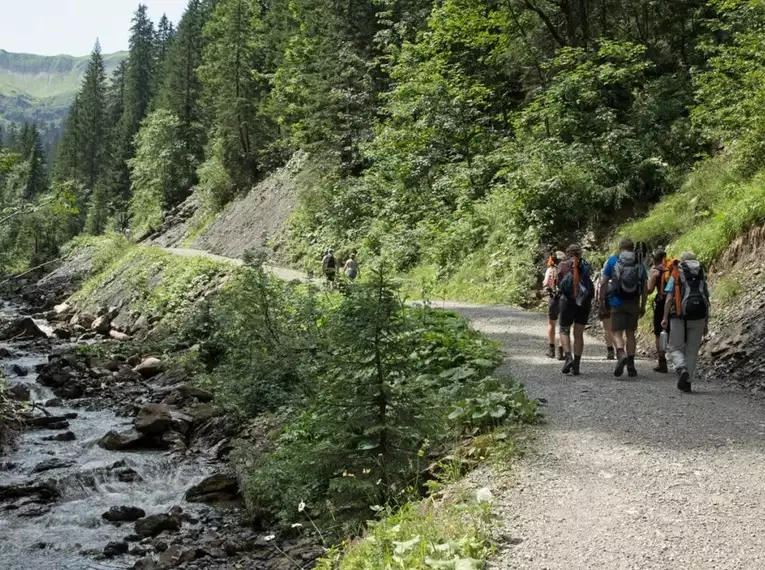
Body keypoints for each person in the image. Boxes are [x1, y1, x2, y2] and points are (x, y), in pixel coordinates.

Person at [662, 252, 710, 393]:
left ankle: (681, 368)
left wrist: (665, 317)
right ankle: (687, 382)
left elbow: (669, 298)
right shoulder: (701, 274)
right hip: (698, 316)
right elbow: (706, 299)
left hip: (678, 315)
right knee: (692, 350)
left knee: (674, 347)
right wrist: (706, 321)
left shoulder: (676, 273)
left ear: (682, 262)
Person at [600, 238, 647, 378]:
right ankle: (631, 365)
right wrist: (643, 305)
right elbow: (644, 287)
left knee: (616, 332)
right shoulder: (638, 263)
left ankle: (621, 353)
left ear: (620, 248)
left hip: (616, 302)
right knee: (631, 333)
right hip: (633, 302)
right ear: (632, 248)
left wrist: (601, 300)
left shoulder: (613, 261)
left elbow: (603, 282)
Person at [557, 244, 595, 376]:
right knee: (578, 334)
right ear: (580, 253)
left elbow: (559, 284)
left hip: (567, 301)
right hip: (583, 302)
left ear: (568, 253)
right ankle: (577, 365)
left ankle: (568, 357)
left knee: (564, 329)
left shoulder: (563, 265)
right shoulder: (586, 265)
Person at [646, 248, 670, 373]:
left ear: (653, 259)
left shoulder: (655, 271)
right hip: (675, 303)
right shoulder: (672, 268)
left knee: (658, 333)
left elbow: (649, 289)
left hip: (661, 304)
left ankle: (662, 362)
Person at [542, 251, 566, 360]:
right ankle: (561, 351)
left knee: (551, 324)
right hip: (565, 299)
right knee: (564, 325)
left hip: (553, 298)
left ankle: (551, 350)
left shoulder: (550, 270)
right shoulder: (567, 269)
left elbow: (546, 283)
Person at [593, 269, 615, 360]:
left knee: (607, 329)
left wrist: (599, 304)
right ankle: (620, 350)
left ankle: (610, 350)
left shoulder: (601, 275)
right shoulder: (620, 273)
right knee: (618, 330)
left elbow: (596, 294)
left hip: (606, 305)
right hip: (619, 304)